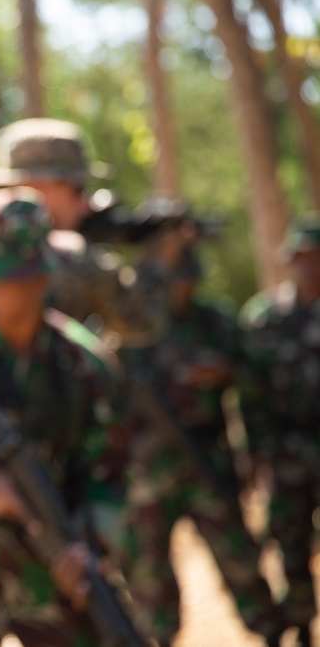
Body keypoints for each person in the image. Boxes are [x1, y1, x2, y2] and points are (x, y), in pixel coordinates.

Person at [0, 197, 133, 647]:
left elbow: (108, 480)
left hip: (50, 566)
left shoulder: (85, 367)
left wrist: (89, 550)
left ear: (39, 280)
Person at [118, 235, 285, 647]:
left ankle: (275, 632)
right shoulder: (130, 324)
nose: (182, 290)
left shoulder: (214, 321)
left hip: (207, 459)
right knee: (150, 582)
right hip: (147, 470)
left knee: (242, 565)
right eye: (174, 281)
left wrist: (224, 374)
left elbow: (254, 377)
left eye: (188, 281)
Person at [0, 117, 183, 350]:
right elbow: (143, 324)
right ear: (40, 183)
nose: (85, 205)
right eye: (78, 189)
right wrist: (158, 261)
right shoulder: (68, 254)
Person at [240, 218, 320, 647]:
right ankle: (301, 624)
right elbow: (250, 395)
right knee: (290, 543)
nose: (308, 267)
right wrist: (254, 455)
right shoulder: (265, 318)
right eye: (300, 258)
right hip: (286, 449)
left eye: (315, 257)